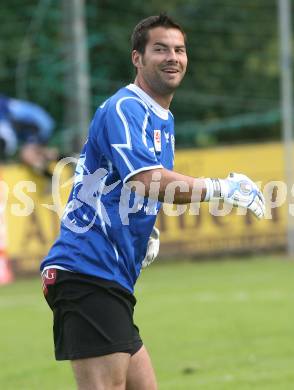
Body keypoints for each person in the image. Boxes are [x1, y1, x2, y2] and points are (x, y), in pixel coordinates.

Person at [41, 14, 265, 390]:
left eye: (179, 49)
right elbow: (146, 180)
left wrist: (143, 231)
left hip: (110, 280)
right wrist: (222, 188)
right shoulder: (125, 107)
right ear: (137, 58)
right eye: (160, 49)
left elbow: (116, 184)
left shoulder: (162, 117)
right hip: (86, 271)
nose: (172, 57)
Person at [0, 95, 58, 175]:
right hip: (39, 123)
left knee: (27, 155)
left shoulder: (2, 109)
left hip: (38, 124)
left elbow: (8, 140)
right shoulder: (3, 104)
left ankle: (50, 176)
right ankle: (58, 157)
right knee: (38, 152)